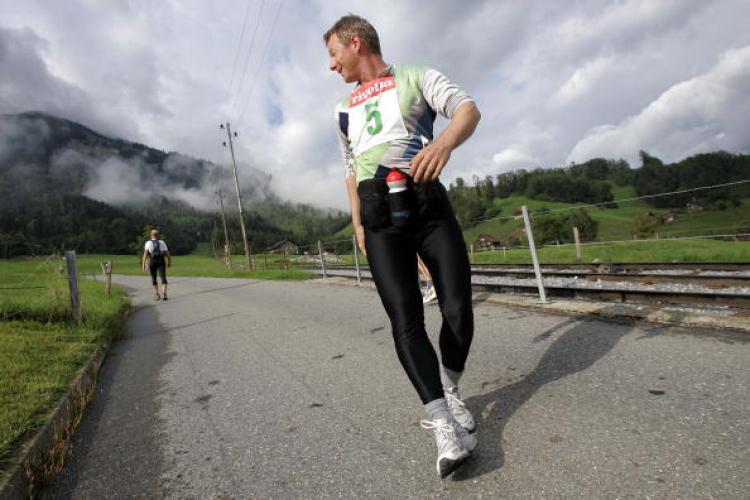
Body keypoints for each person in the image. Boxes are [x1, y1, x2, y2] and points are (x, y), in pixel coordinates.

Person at [324, 15, 481, 478]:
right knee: (405, 319)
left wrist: (446, 143)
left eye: (334, 54)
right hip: (377, 217)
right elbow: (350, 169)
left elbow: (468, 109)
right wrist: (356, 224)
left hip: (427, 203)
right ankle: (441, 424)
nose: (332, 66)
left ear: (356, 43)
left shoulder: (417, 75)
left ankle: (450, 389)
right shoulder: (342, 109)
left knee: (457, 308)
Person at [141, 229, 171, 301]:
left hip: (152, 261)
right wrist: (169, 261)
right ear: (158, 235)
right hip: (161, 261)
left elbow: (145, 255)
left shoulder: (148, 243)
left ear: (151, 235)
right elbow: (167, 253)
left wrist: (143, 264)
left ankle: (157, 294)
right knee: (163, 277)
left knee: (154, 278)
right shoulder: (162, 242)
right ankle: (164, 293)